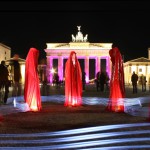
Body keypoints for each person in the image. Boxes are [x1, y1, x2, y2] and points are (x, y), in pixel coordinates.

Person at [106, 44, 125, 112]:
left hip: (116, 80)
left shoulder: (118, 62)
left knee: (117, 91)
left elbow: (117, 71)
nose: (112, 57)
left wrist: (115, 78)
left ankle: (117, 105)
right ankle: (114, 105)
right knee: (114, 91)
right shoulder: (115, 63)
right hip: (114, 80)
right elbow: (114, 71)